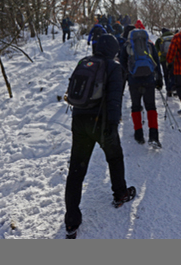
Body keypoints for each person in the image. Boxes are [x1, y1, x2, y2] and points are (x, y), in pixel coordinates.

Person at [65, 34, 136, 239]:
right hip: (101, 122)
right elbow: (115, 99)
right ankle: (120, 193)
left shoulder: (84, 62)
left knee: (76, 170)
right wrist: (112, 125)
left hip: (79, 122)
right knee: (114, 157)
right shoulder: (113, 68)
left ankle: (71, 221)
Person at [120, 20, 163, 147]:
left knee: (135, 106)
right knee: (151, 107)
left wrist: (129, 72)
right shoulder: (149, 44)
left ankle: (138, 134)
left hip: (134, 80)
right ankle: (153, 136)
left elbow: (122, 62)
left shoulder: (127, 45)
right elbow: (157, 62)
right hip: (149, 79)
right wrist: (159, 78)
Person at [155, 28, 175, 97]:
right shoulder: (174, 37)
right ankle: (174, 87)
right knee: (173, 73)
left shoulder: (160, 39)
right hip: (173, 59)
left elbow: (156, 50)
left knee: (166, 74)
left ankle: (168, 90)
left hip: (164, 59)